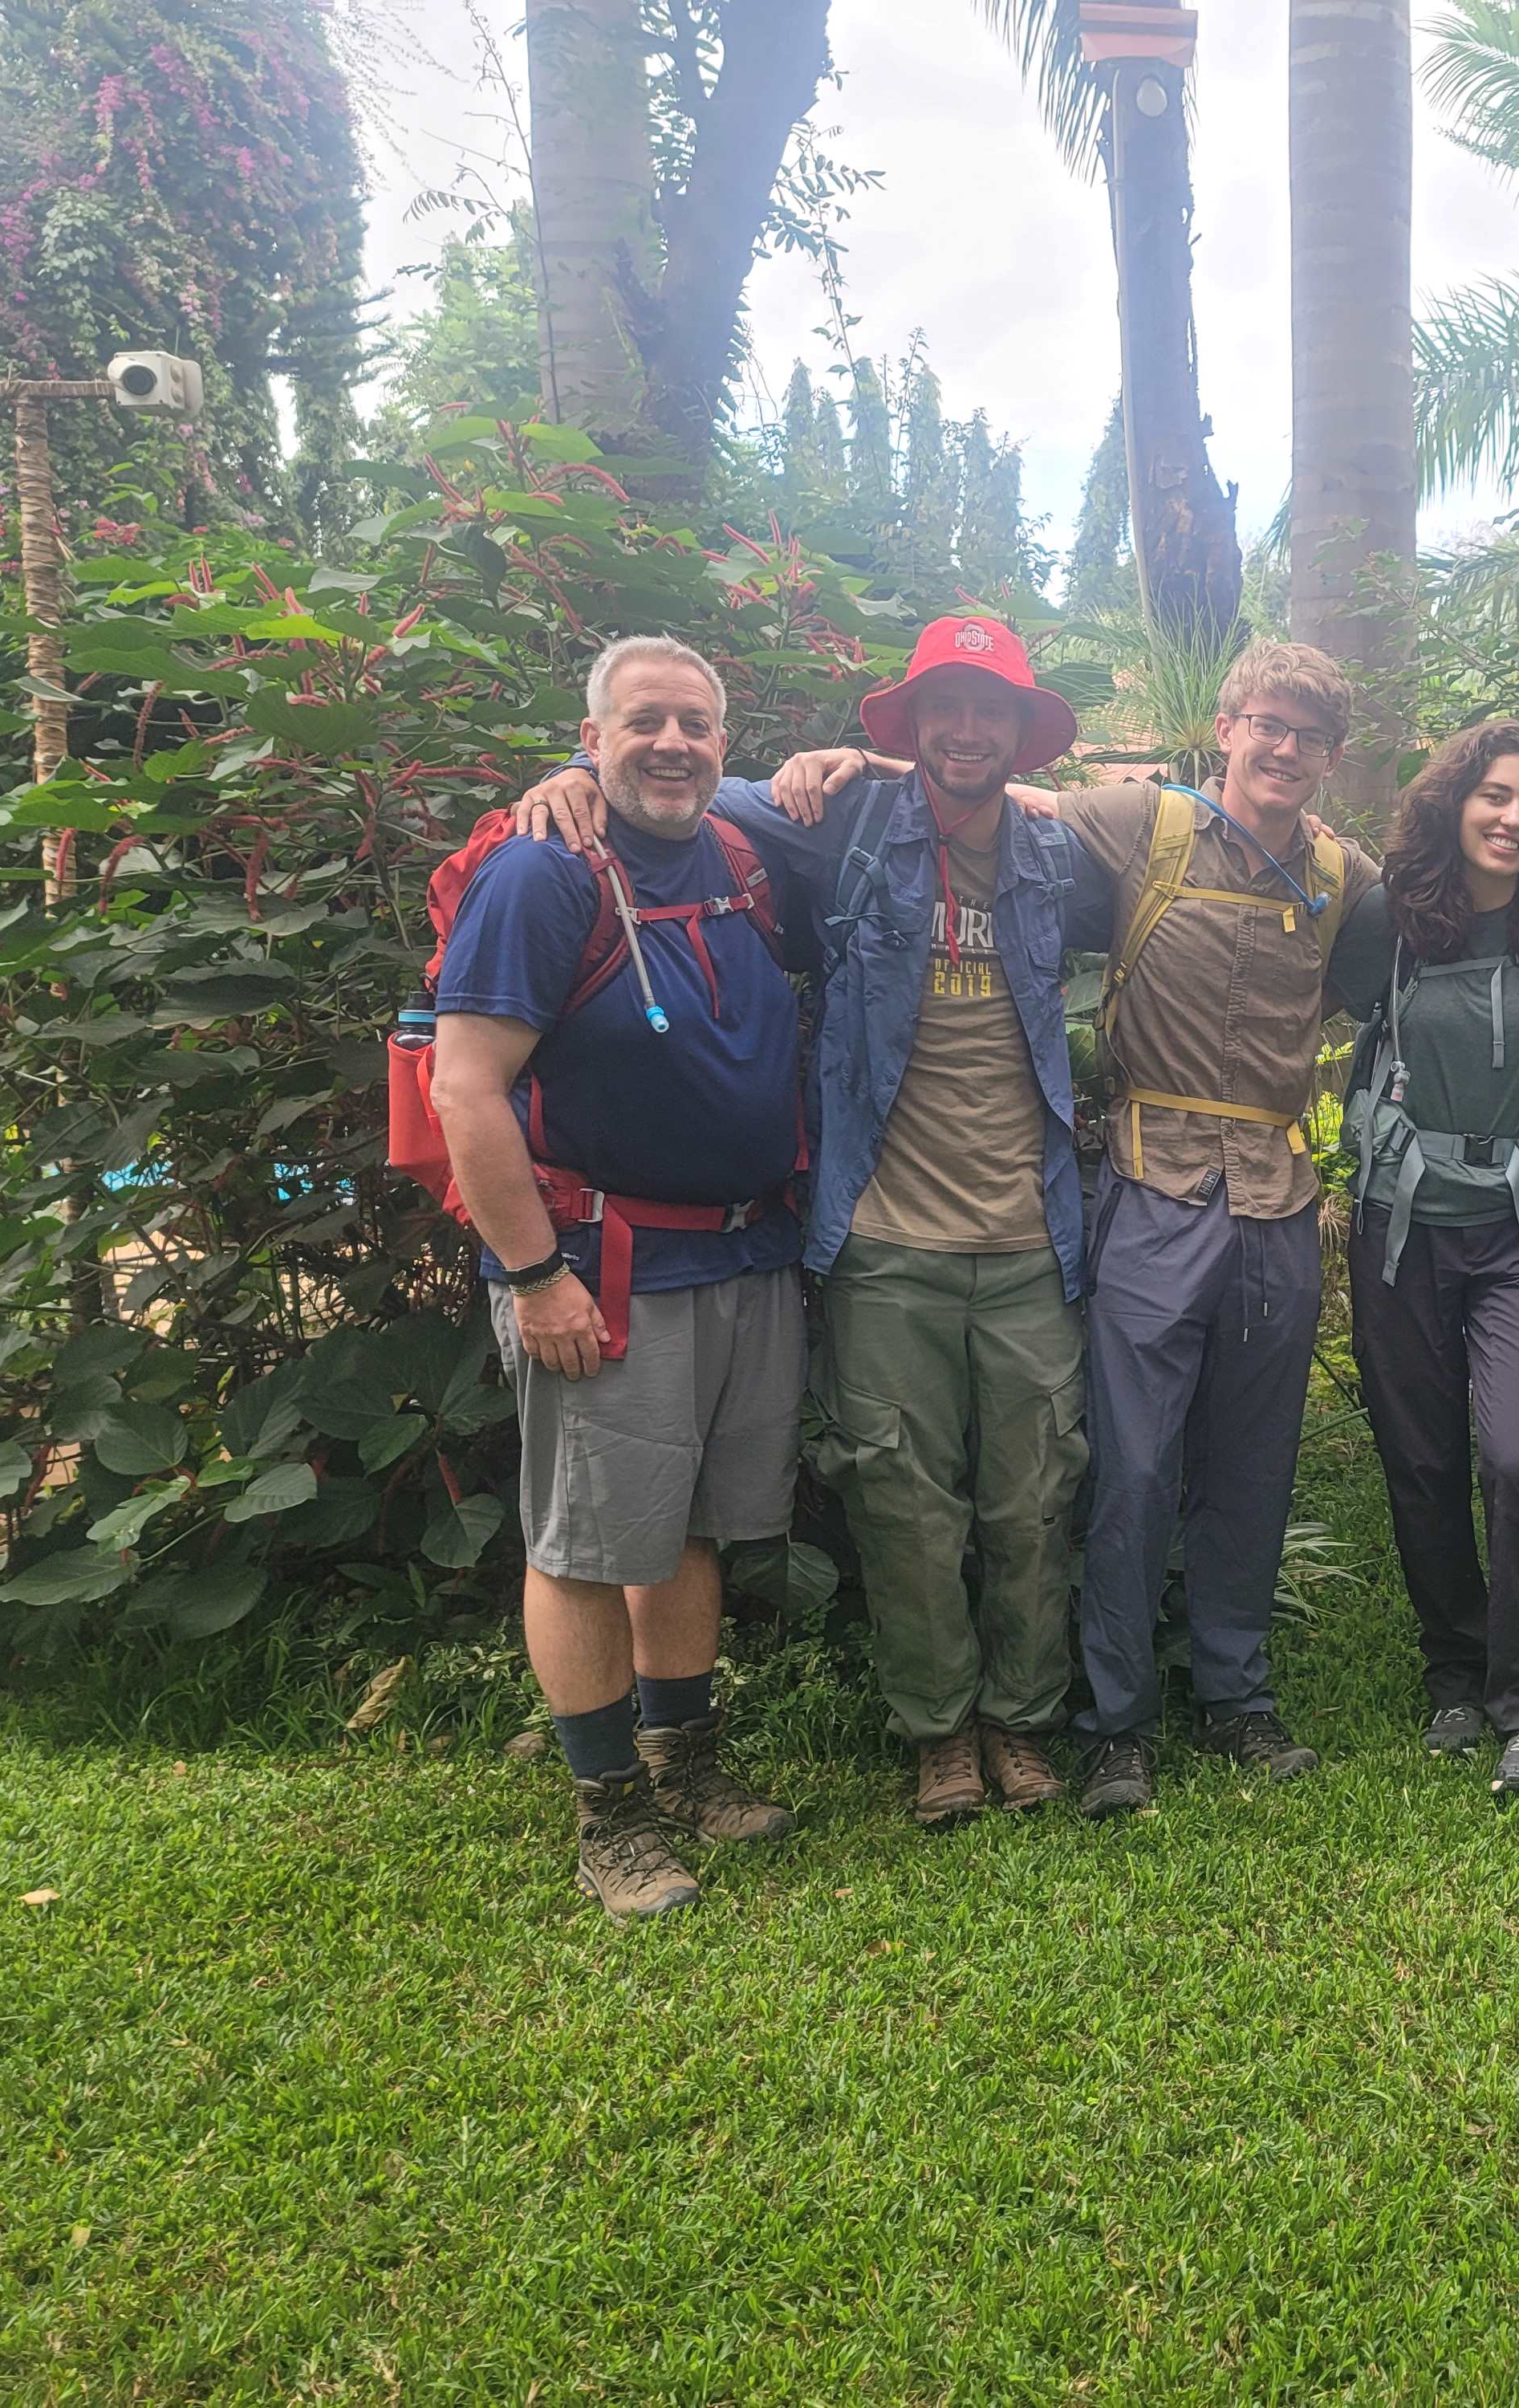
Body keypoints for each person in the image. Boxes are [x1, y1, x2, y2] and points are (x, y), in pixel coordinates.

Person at [517, 615, 1097, 1831]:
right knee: (902, 1500)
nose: (968, 730)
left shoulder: (1061, 852)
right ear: (916, 721)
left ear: (1022, 731)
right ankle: (941, 1736)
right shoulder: (842, 828)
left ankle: (1024, 1725)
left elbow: (1192, 817)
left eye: (993, 710)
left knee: (1034, 1496)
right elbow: (673, 780)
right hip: (885, 1234)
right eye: (946, 706)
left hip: (1035, 1238)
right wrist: (570, 778)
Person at [433, 636, 809, 1918]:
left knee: (684, 1530)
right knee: (588, 1543)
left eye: (697, 724)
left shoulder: (740, 855)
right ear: (589, 736)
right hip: (603, 1267)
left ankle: (686, 1765)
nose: (674, 745)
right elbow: (464, 1086)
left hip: (740, 1250)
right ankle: (611, 1818)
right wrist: (535, 1276)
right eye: (644, 722)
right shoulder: (542, 874)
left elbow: (898, 784)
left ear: (725, 738)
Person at [1050, 644, 1383, 1820]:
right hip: (1151, 1188)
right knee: (1135, 1464)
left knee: (1254, 1463)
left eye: (1307, 736)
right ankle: (1115, 1724)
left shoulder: (1348, 876)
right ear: (1227, 729)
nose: (1283, 749)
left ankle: (1236, 1694)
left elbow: (1428, 947)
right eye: (1266, 726)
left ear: (1331, 758)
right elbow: (985, 790)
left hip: (1281, 1202)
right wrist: (841, 760)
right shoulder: (1145, 824)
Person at [1327, 722, 1519, 1803]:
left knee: (1518, 1457)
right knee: (1424, 1462)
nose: (1513, 819)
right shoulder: (1388, 924)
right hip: (1401, 1223)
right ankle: (1455, 1674)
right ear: (1455, 801)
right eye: (1497, 796)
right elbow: (1311, 1002)